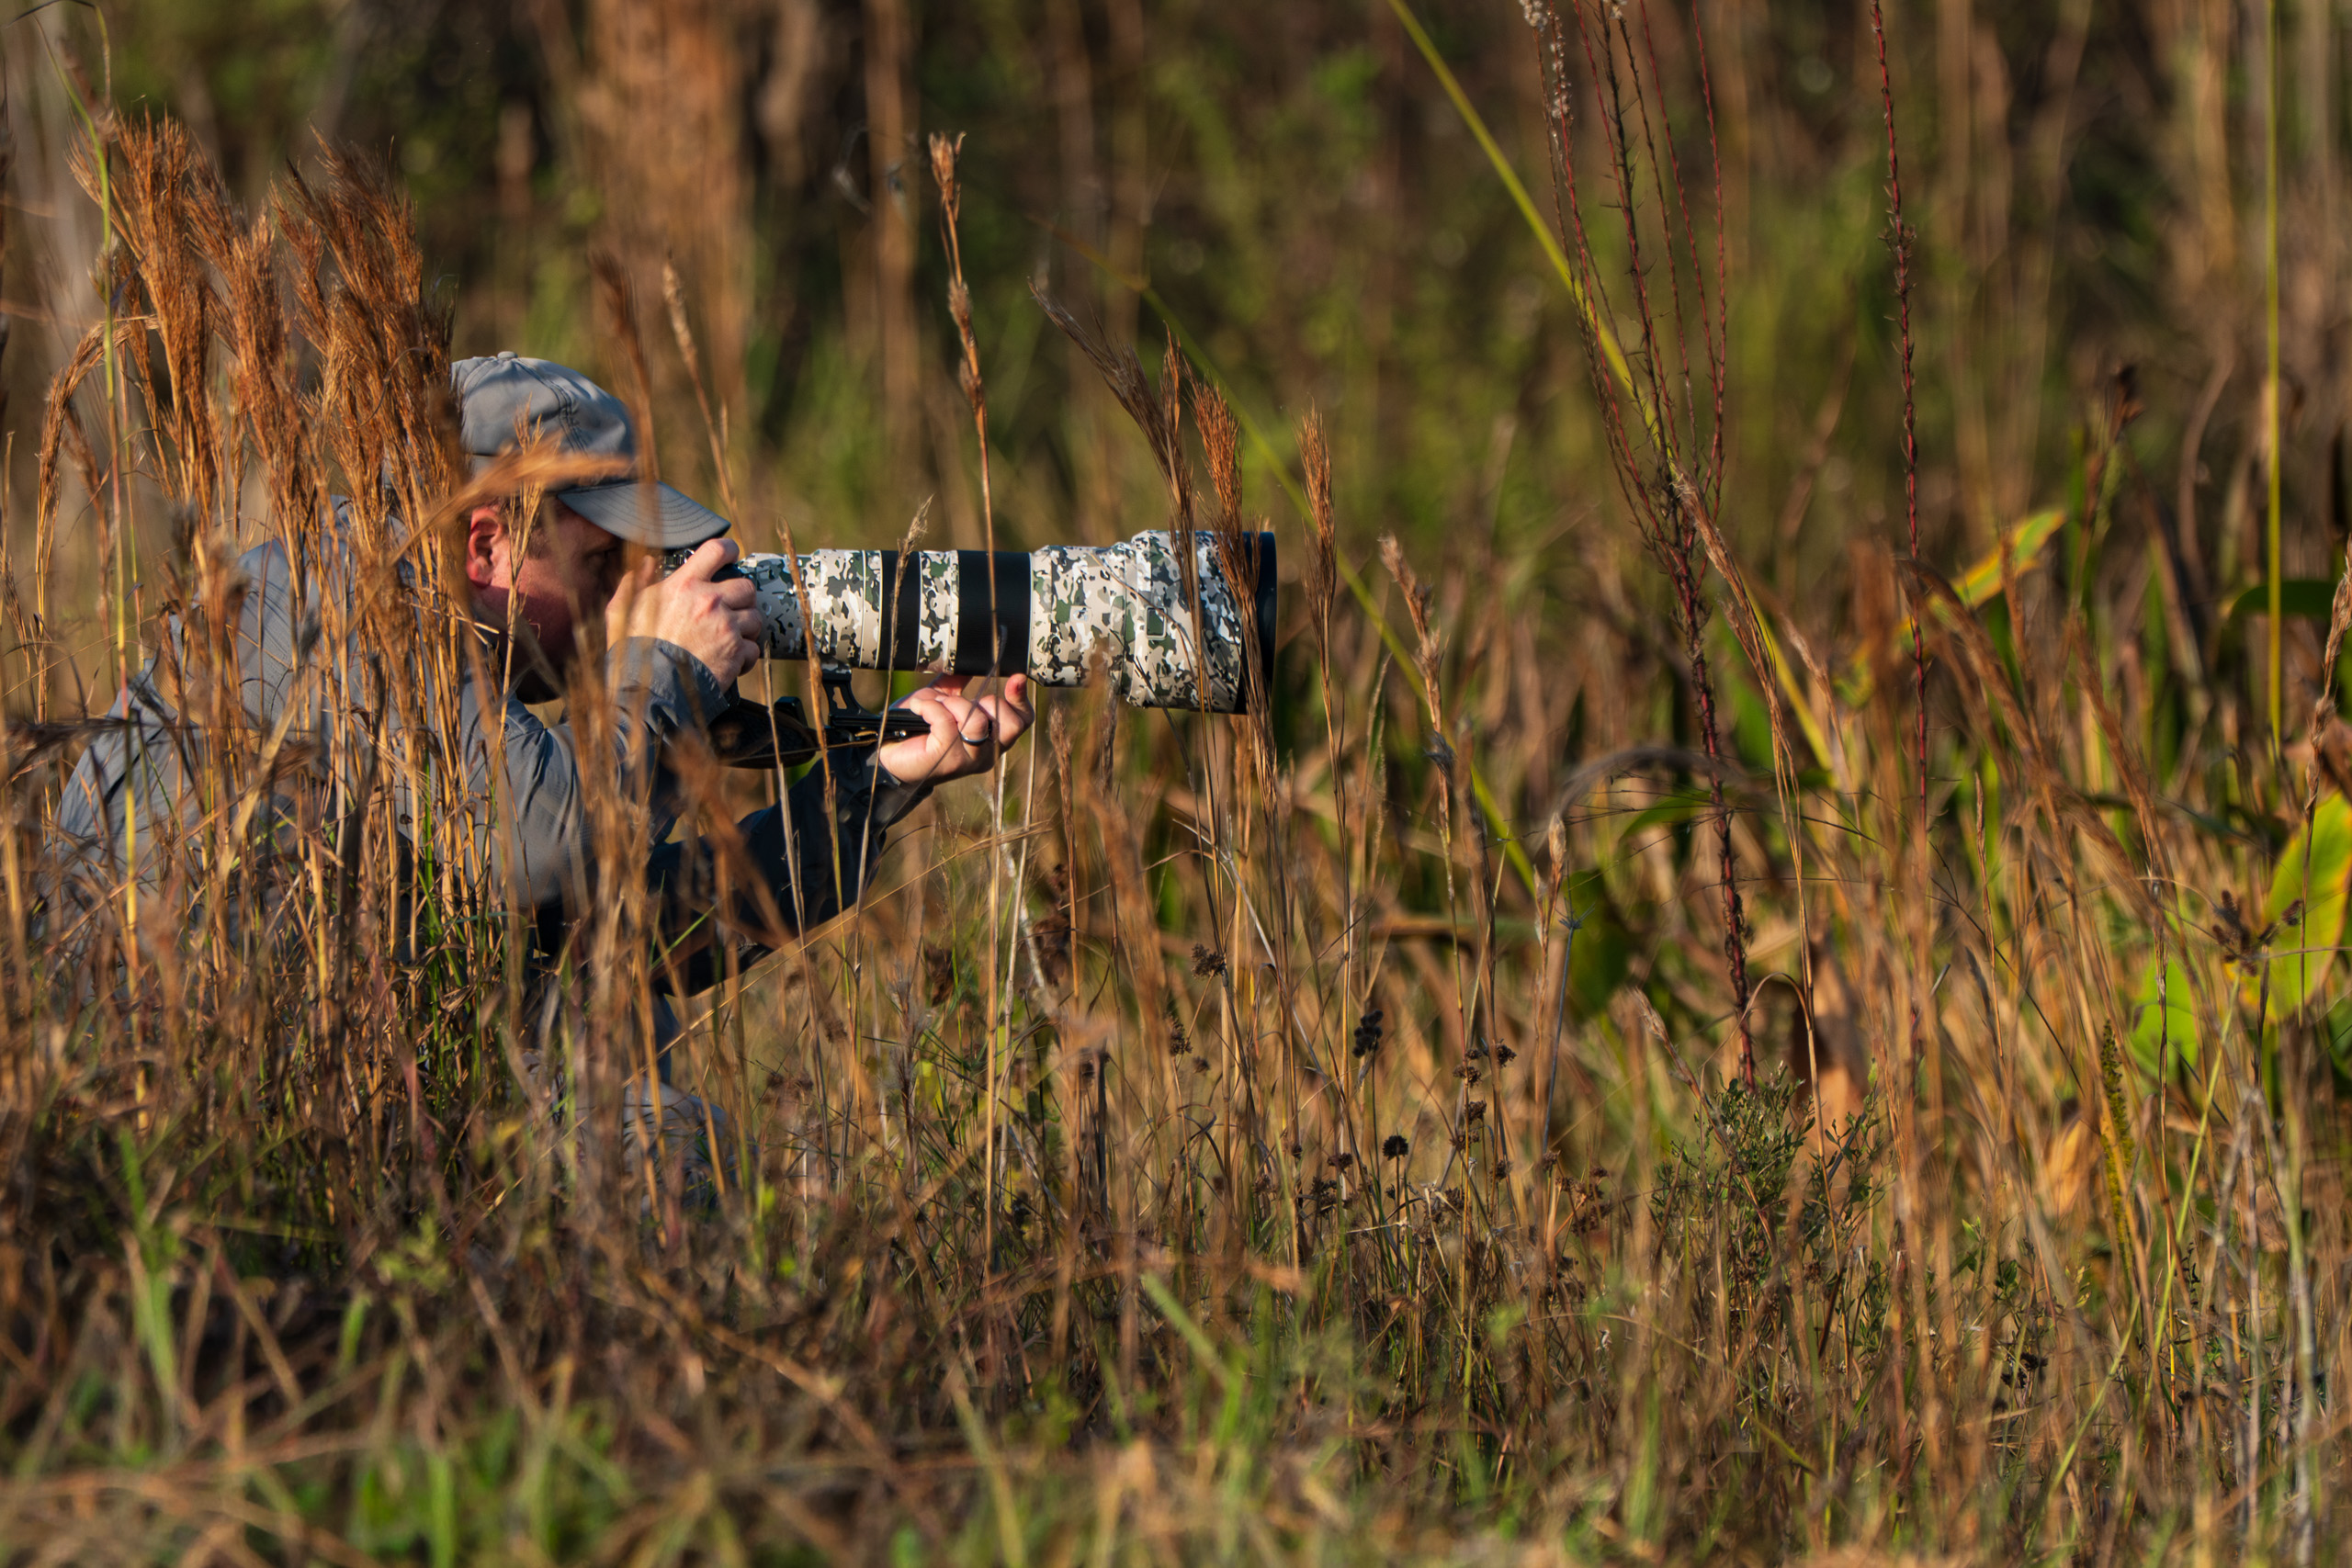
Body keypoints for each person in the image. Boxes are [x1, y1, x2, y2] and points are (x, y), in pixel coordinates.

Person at [47, 353, 1034, 1183]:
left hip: (290, 1110)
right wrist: (665, 667)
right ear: (485, 546)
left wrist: (876, 783)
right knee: (662, 1150)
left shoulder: (428, 659)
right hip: (164, 1142)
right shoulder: (328, 607)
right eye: (602, 566)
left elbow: (633, 929)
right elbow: (546, 849)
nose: (622, 600)